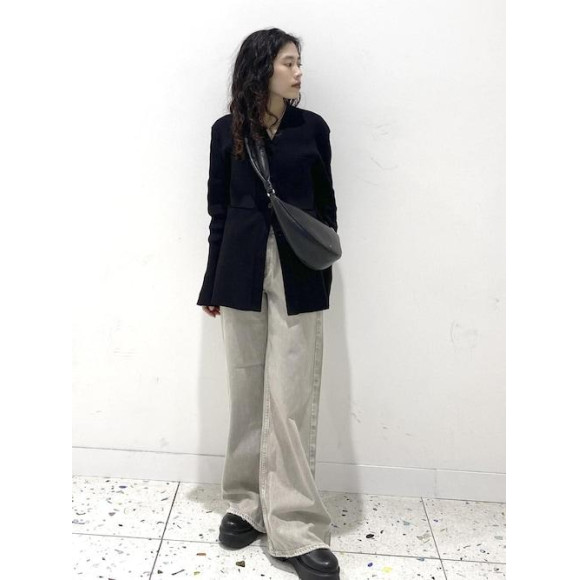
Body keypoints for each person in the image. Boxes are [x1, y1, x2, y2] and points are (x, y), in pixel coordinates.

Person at [197, 28, 340, 580]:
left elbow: (326, 208)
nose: (299, 72)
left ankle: (296, 524)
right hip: (240, 272)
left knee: (290, 397)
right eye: (289, 62)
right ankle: (245, 504)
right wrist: (212, 282)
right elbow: (218, 210)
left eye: (299, 63)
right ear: (263, 68)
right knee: (245, 389)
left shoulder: (313, 128)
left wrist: (322, 275)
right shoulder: (225, 131)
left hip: (298, 274)